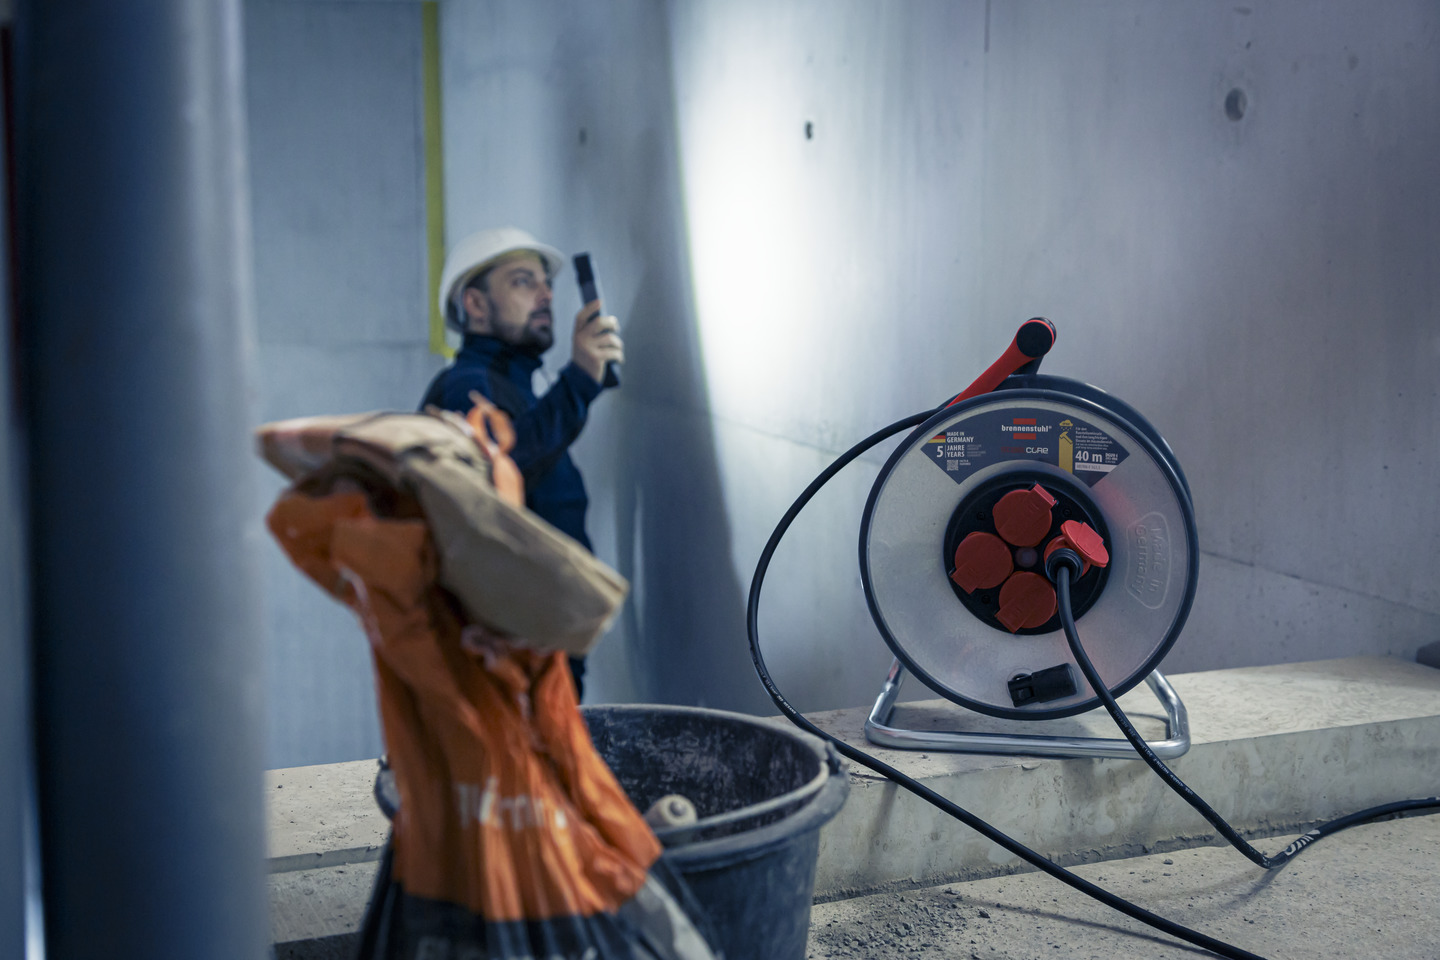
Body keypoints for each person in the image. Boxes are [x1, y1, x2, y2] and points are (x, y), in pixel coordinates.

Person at [420, 227, 623, 700]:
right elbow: (500, 474)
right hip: (511, 650)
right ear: (475, 304)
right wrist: (577, 382)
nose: (546, 294)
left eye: (545, 283)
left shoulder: (513, 385)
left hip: (541, 637)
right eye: (522, 281)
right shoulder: (466, 385)